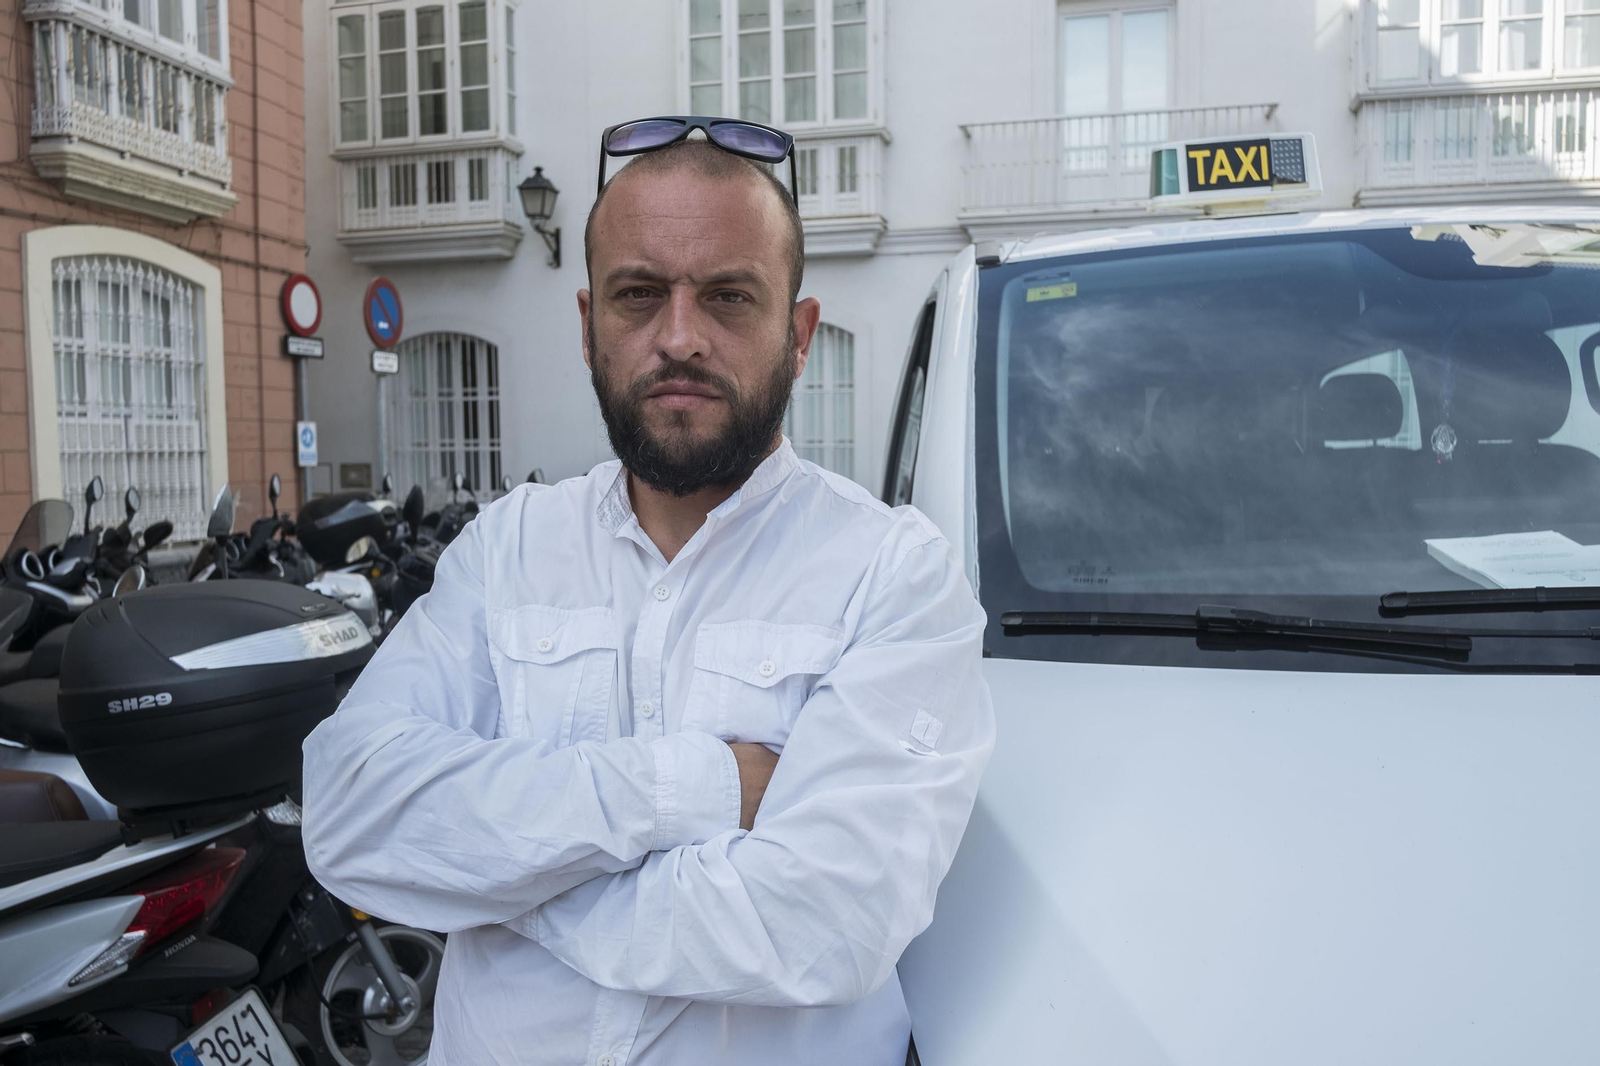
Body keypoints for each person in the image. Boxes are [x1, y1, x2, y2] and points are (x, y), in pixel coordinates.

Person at [301, 119, 995, 1066]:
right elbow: (350, 812)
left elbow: (821, 928)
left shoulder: (893, 577)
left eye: (727, 297)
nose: (679, 337)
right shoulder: (506, 549)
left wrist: (500, 877)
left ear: (797, 336)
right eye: (639, 295)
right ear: (588, 328)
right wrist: (695, 787)